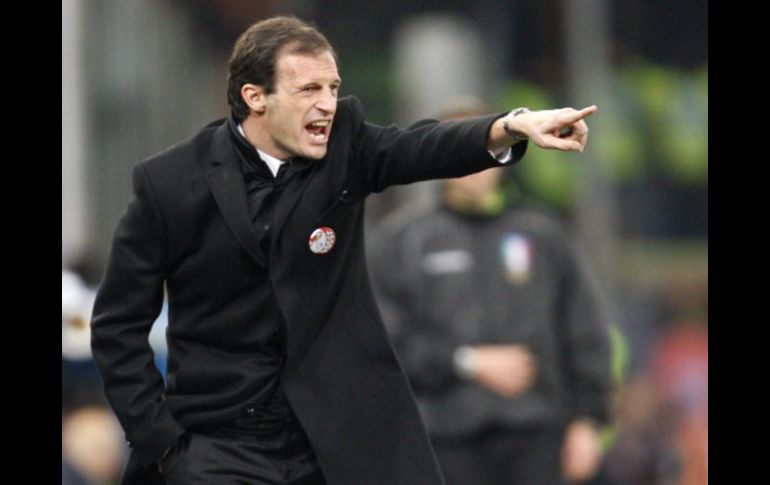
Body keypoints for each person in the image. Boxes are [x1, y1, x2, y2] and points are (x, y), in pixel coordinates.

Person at [90, 16, 597, 485]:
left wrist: (509, 126)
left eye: (333, 88)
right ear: (255, 96)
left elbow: (422, 146)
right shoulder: (169, 184)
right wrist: (164, 443)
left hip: (333, 443)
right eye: (309, 88)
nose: (328, 103)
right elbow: (118, 326)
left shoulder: (347, 148)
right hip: (219, 447)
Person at [369, 100, 612, 484]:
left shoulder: (543, 234)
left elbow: (584, 329)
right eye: (459, 150)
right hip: (443, 435)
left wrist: (588, 419)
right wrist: (465, 362)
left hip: (537, 430)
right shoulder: (403, 241)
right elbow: (386, 341)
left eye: (484, 148)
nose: (474, 168)